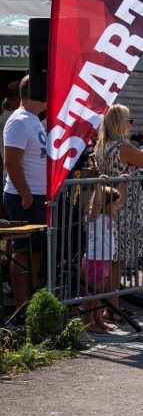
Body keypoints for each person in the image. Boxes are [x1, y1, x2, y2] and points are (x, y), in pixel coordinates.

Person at [94, 104, 143, 320]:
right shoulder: (122, 147)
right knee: (118, 259)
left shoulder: (102, 146)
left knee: (112, 257)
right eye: (129, 120)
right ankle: (113, 307)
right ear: (120, 123)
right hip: (124, 206)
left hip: (110, 203)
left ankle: (111, 305)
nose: (131, 124)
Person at [3, 76, 47, 309]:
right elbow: (11, 162)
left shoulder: (33, 120)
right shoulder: (19, 120)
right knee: (23, 252)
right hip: (24, 198)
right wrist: (26, 195)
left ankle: (28, 305)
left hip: (36, 196)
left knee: (35, 253)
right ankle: (22, 307)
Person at [81, 185, 122, 334]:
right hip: (95, 260)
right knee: (92, 294)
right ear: (105, 204)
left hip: (103, 259)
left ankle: (98, 320)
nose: (118, 207)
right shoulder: (94, 217)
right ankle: (87, 322)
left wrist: (122, 181)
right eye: (115, 204)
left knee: (99, 294)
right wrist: (99, 185)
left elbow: (119, 200)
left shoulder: (108, 216)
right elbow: (97, 204)